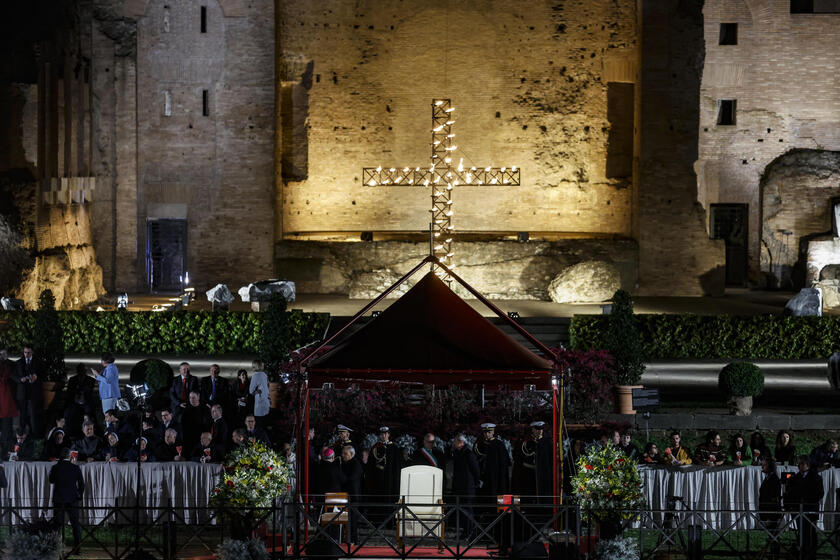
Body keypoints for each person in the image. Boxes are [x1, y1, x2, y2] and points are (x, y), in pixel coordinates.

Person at [785, 454, 824, 560]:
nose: (799, 466)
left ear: (808, 464)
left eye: (801, 463)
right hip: (798, 511)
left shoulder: (816, 478)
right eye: (798, 463)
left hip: (810, 511)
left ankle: (811, 555)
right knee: (801, 533)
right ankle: (802, 553)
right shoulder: (795, 478)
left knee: (810, 534)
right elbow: (790, 493)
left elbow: (819, 494)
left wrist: (806, 500)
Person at [49, 447, 85, 547]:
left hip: (59, 498)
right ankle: (78, 547)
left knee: (57, 524)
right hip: (72, 498)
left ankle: (54, 546)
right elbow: (82, 484)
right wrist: (79, 495)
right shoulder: (75, 468)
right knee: (75, 524)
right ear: (70, 456)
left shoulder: (55, 467)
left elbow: (51, 480)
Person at [365, 426, 401, 517]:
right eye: (381, 434)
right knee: (377, 500)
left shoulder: (394, 448)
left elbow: (397, 466)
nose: (383, 435)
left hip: (390, 480)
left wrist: (396, 480)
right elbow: (370, 465)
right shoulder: (375, 447)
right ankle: (376, 520)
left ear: (389, 435)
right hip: (377, 479)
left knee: (388, 500)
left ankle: (389, 521)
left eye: (385, 433)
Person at [451, 433, 481, 538]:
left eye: (455, 441)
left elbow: (476, 470)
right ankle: (465, 531)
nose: (454, 443)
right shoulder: (458, 453)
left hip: (467, 488)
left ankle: (471, 532)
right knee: (462, 511)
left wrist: (476, 482)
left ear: (461, 442)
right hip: (460, 488)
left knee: (467, 511)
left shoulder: (468, 454)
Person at [12, 344, 43, 435]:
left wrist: (36, 377)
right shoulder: (18, 362)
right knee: (22, 414)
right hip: (22, 392)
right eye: (25, 352)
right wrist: (20, 379)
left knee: (33, 414)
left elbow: (43, 373)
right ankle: (21, 434)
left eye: (28, 352)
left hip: (33, 393)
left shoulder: (38, 362)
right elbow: (13, 375)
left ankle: (34, 434)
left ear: (32, 352)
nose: (26, 354)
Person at [64, 363, 97, 438]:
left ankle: (89, 433)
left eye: (83, 370)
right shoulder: (72, 380)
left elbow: (89, 391)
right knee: (68, 413)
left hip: (86, 402)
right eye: (80, 370)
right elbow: (70, 392)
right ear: (77, 371)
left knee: (88, 413)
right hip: (75, 402)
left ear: (85, 371)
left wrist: (80, 389)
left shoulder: (90, 380)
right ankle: (70, 433)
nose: (82, 372)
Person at [758, 458, 782, 557]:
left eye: (764, 465)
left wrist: (768, 515)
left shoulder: (773, 479)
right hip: (767, 511)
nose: (762, 467)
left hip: (771, 512)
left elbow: (771, 498)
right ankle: (773, 553)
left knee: (773, 533)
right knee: (772, 533)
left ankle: (775, 553)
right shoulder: (769, 478)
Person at [340, 444, 363, 543]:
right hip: (345, 495)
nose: (343, 455)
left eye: (345, 454)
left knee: (353, 520)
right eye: (343, 453)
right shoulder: (344, 463)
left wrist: (340, 476)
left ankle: (353, 540)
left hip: (353, 495)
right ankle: (346, 539)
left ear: (351, 454)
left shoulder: (356, 464)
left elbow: (351, 479)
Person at [0, 348, 19, 453]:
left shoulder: (11, 365)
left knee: (7, 430)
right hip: (4, 400)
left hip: (6, 401)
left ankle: (5, 452)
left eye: (4, 354)